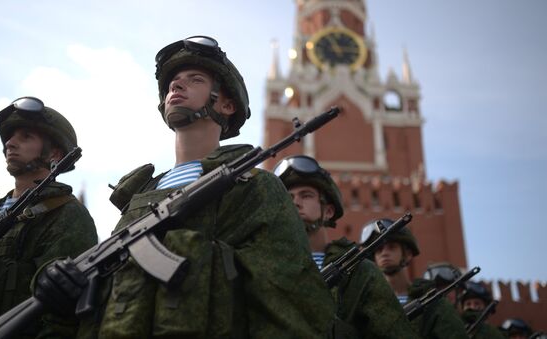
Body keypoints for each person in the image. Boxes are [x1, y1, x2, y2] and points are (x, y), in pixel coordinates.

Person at [36, 36, 335, 338]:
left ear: (227, 104)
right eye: (173, 83)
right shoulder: (140, 195)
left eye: (195, 80)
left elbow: (289, 302)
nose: (176, 87)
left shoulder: (255, 187)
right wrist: (66, 289)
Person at [0, 97, 98, 338]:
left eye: (25, 136)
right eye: (10, 137)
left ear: (55, 153)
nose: (10, 143)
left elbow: (61, 312)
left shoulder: (67, 213)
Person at [273, 155, 419, 338]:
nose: (295, 202)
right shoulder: (266, 262)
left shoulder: (359, 272)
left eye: (306, 195)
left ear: (328, 211)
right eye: (289, 197)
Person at [363, 220, 469, 339]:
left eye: (391, 247)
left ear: (407, 254)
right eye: (379, 249)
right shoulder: (366, 305)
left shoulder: (432, 302)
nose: (384, 253)